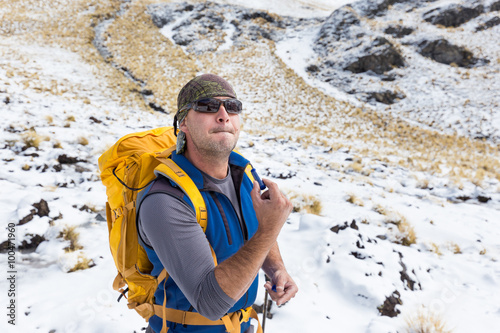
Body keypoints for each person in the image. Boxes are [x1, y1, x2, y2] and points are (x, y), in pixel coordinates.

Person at [137, 74, 298, 333]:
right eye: (208, 107)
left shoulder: (244, 173)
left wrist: (276, 268)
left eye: (232, 107)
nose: (223, 115)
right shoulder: (165, 200)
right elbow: (210, 303)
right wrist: (271, 229)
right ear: (183, 123)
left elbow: (258, 228)